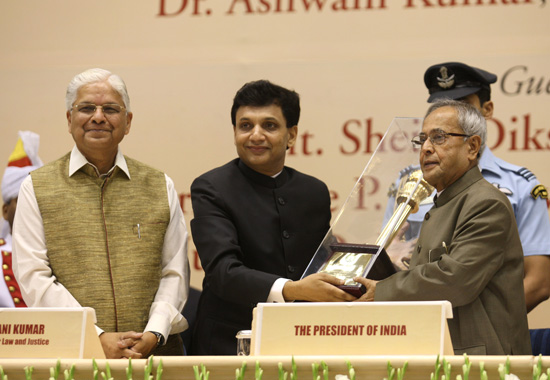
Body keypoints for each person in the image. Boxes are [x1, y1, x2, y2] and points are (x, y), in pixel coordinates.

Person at [12, 68, 190, 359]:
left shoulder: (159, 184)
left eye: (110, 109)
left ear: (128, 121)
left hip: (157, 356)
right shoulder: (36, 187)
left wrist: (154, 332)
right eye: (86, 108)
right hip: (72, 358)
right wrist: (94, 336)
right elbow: (34, 277)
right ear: (69, 120)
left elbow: (175, 271)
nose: (98, 117)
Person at [190, 80, 355, 355]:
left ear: (291, 135)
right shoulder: (211, 187)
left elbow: (323, 259)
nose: (255, 135)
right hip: (228, 343)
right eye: (245, 126)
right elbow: (222, 272)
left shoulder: (314, 191)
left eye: (269, 125)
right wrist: (293, 289)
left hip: (302, 341)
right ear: (234, 132)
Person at [356, 99, 531, 355]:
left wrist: (381, 290)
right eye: (422, 139)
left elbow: (454, 279)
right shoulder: (442, 203)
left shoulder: (486, 203)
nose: (426, 148)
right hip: (440, 352)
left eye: (439, 138)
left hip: (483, 364)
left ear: (472, 147)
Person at [385, 61, 550, 312]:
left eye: (462, 105)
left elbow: (538, 282)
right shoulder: (411, 182)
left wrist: (486, 322)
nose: (450, 111)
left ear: (487, 109)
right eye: (442, 105)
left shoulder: (519, 185)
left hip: (471, 333)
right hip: (417, 324)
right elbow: (392, 254)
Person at [1, 131, 43, 308]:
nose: (30, 208)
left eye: (35, 201)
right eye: (21, 200)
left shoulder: (55, 252)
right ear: (5, 210)